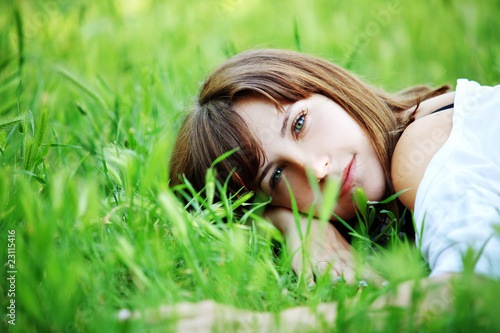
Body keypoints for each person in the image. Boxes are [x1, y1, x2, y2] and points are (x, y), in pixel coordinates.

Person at [169, 48, 500, 284]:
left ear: (328, 88)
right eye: (278, 175)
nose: (317, 169)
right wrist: (291, 224)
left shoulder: (418, 150)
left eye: (299, 124)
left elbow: (475, 291)